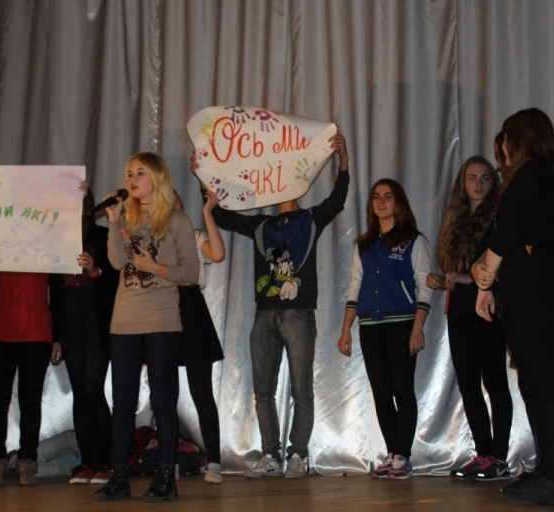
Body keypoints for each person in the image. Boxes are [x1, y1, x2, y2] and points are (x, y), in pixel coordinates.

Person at [201, 131, 349, 479]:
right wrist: (202, 173)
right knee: (262, 391)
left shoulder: (310, 219)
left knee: (301, 389)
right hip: (264, 312)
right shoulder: (261, 225)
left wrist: (343, 161)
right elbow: (222, 216)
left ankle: (298, 455)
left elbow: (338, 199)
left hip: (298, 312)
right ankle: (270, 455)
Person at [472, 108, 554, 506]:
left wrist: (485, 277)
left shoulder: (532, 171)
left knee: (546, 386)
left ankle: (552, 476)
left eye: (505, 137)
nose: (500, 146)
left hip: (537, 297)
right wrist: (488, 282)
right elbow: (510, 236)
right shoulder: (539, 175)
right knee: (537, 384)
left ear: (519, 137)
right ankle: (548, 471)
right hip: (527, 293)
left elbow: (508, 228)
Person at [95, 152, 199, 502]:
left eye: (140, 173)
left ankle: (166, 477)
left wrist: (155, 268)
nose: (132, 179)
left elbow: (192, 272)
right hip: (124, 318)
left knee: (161, 398)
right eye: (129, 173)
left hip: (162, 317)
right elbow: (115, 262)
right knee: (122, 401)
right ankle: (120, 476)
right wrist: (113, 221)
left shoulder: (178, 221)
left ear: (156, 178)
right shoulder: (126, 218)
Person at [337, 178, 432, 480]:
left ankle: (403, 455)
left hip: (402, 324)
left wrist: (418, 327)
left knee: (402, 389)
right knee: (381, 392)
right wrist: (346, 328)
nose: (381, 202)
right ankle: (392, 453)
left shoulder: (414, 241)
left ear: (398, 201)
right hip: (370, 326)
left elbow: (424, 286)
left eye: (388, 196)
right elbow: (355, 286)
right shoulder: (364, 245)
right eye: (376, 197)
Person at [428, 158, 513, 481]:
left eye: (486, 178)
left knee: (495, 382)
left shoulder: (499, 217)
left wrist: (467, 278)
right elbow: (458, 269)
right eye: (472, 178)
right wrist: (443, 279)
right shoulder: (457, 219)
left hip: (487, 309)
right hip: (460, 311)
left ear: (494, 182)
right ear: (462, 184)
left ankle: (499, 457)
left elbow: (502, 264)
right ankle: (483, 454)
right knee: (468, 384)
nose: (479, 184)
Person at [49, 187, 120, 486]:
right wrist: (55, 336)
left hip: (95, 317)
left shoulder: (102, 236)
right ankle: (87, 463)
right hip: (70, 317)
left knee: (93, 390)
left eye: (78, 202)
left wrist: (95, 270)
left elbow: (116, 277)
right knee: (79, 392)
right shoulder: (56, 239)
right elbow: (54, 291)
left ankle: (104, 462)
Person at [0, 270, 57, 487]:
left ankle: (27, 461)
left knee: (30, 402)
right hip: (0, 331)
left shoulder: (49, 249)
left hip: (37, 331)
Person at [172, 189, 225, 484]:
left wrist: (207, 212)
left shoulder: (193, 235)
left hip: (191, 308)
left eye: (176, 201)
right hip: (162, 307)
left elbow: (218, 254)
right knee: (165, 395)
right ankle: (169, 461)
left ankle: (214, 461)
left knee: (201, 392)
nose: (172, 205)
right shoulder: (151, 238)